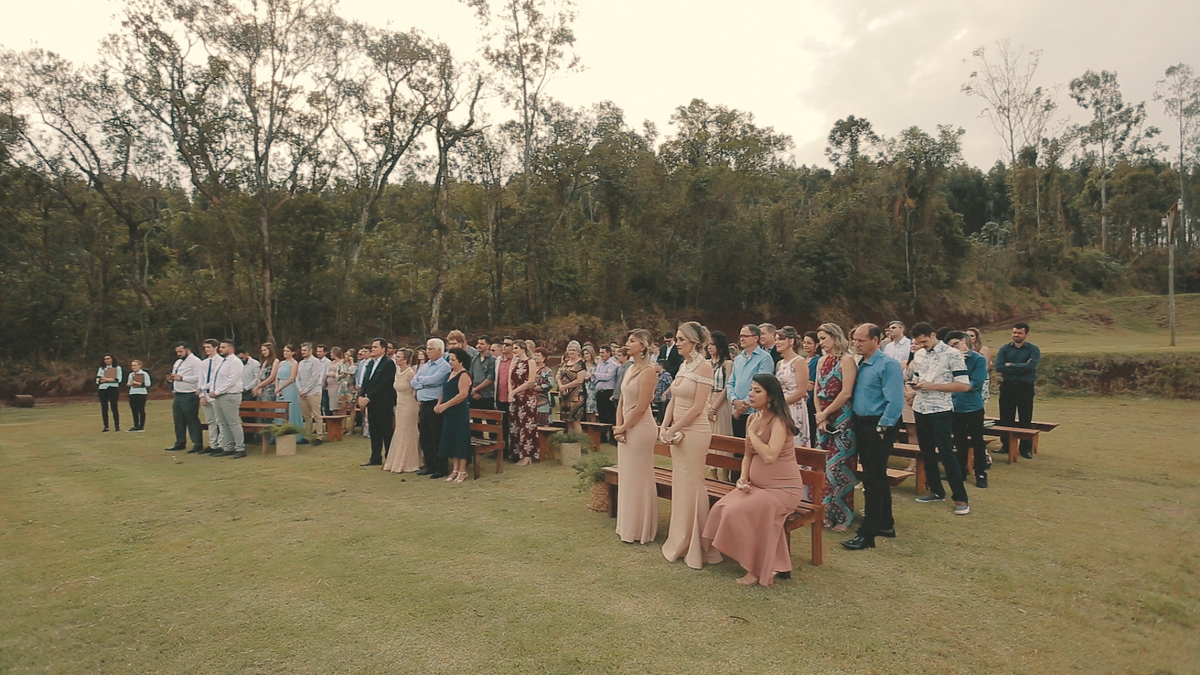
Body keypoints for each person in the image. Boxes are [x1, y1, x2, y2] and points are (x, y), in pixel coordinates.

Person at [702, 373, 805, 587]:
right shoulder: (752, 418)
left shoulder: (779, 422)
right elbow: (748, 455)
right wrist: (741, 478)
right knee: (722, 507)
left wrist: (752, 433)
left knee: (737, 512)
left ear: (770, 396)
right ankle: (728, 554)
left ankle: (755, 569)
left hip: (783, 490)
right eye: (751, 389)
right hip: (757, 486)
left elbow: (769, 455)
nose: (751, 394)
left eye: (757, 391)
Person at [660, 322, 722, 569]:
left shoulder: (704, 366)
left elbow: (698, 407)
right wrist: (664, 425)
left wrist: (675, 428)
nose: (676, 343)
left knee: (693, 483)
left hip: (695, 432)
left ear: (694, 342)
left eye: (681, 339)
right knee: (681, 483)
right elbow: (674, 398)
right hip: (677, 430)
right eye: (676, 339)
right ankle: (680, 538)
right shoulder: (684, 365)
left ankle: (699, 544)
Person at [843, 324, 906, 550]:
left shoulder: (887, 364)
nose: (856, 344)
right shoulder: (860, 363)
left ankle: (867, 533)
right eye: (855, 340)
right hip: (861, 422)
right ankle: (885, 523)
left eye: (861, 340)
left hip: (878, 425)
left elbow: (896, 401)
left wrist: (882, 428)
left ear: (877, 340)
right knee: (875, 476)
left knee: (872, 478)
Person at [908, 322, 971, 515]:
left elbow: (964, 385)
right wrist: (914, 386)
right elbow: (918, 377)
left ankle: (960, 498)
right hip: (920, 407)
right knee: (926, 451)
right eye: (918, 343)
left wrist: (934, 386)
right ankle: (935, 490)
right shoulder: (919, 354)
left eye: (924, 341)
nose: (922, 345)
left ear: (933, 335)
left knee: (946, 452)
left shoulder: (953, 354)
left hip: (941, 408)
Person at [613, 329, 658, 544]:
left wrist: (625, 427)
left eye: (632, 341)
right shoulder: (630, 368)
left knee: (638, 477)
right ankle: (627, 525)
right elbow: (622, 400)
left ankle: (641, 528)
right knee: (627, 476)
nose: (627, 344)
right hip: (626, 425)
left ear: (643, 346)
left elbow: (642, 406)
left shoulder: (648, 371)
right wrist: (618, 425)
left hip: (641, 428)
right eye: (627, 340)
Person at [813, 323, 858, 532]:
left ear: (834, 337)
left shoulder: (846, 360)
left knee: (838, 468)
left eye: (824, 338)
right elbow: (816, 390)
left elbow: (846, 392)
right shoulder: (822, 360)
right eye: (819, 339)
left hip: (842, 419)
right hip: (823, 419)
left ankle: (843, 515)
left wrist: (826, 412)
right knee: (822, 467)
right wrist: (820, 416)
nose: (820, 343)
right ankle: (826, 513)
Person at [947, 331, 990, 488]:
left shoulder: (977, 359)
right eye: (950, 346)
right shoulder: (948, 360)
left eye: (956, 344)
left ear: (964, 342)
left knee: (977, 441)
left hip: (973, 406)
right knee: (959, 441)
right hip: (955, 406)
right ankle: (960, 471)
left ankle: (980, 473)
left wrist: (961, 365)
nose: (953, 348)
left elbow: (975, 383)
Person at [994, 322, 1040, 460]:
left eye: (1019, 333)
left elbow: (1031, 367)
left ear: (1026, 334)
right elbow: (999, 367)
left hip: (1025, 386)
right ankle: (1006, 446)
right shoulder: (1004, 349)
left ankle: (1025, 448)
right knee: (1005, 417)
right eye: (1014, 332)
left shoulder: (1033, 349)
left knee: (1025, 417)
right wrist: (1021, 366)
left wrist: (1011, 365)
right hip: (1008, 386)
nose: (1016, 335)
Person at [726, 324, 775, 438]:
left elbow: (763, 385)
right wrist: (734, 401)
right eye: (740, 336)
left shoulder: (765, 358)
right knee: (737, 449)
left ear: (755, 338)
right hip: (736, 410)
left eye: (745, 336)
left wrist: (744, 405)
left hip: (754, 412)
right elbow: (730, 383)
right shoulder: (738, 359)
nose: (741, 339)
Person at [411, 338, 451, 478]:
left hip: (435, 404)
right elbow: (414, 381)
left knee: (437, 436)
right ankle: (430, 465)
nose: (427, 351)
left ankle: (441, 468)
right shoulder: (426, 365)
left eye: (430, 348)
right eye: (427, 348)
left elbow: (434, 380)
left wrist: (423, 382)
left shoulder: (444, 366)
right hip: (423, 404)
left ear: (439, 350)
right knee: (425, 435)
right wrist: (424, 382)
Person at [357, 338, 398, 467]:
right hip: (371, 403)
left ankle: (389, 457)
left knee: (385, 429)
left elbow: (384, 384)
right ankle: (375, 457)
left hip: (383, 402)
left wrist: (369, 398)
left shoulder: (388, 363)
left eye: (375, 347)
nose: (372, 349)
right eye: (372, 347)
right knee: (374, 430)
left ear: (383, 349)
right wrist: (361, 396)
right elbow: (365, 381)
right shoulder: (369, 364)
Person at [435, 348, 474, 482]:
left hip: (459, 412)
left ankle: (463, 470)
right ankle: (455, 469)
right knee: (450, 439)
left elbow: (462, 394)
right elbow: (443, 390)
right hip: (449, 413)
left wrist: (445, 405)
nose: (450, 362)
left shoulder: (464, 375)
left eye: (453, 360)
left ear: (461, 361)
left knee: (460, 440)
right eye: (450, 359)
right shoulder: (449, 374)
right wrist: (439, 403)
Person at [208, 338, 247, 458]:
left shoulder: (235, 362)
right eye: (220, 347)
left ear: (230, 348)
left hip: (230, 395)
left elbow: (231, 380)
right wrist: (212, 390)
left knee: (233, 422)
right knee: (222, 423)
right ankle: (228, 446)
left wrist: (218, 391)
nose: (220, 349)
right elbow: (216, 379)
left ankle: (240, 448)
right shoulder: (223, 361)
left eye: (223, 347)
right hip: (219, 395)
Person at [383, 348, 421, 474]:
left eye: (398, 357)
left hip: (409, 404)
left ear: (405, 359)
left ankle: (408, 461)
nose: (396, 359)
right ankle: (395, 460)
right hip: (399, 404)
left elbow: (415, 389)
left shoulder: (410, 373)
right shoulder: (398, 371)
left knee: (407, 431)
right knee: (399, 430)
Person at [774, 326, 810, 448]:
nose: (777, 342)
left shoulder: (799, 361)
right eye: (776, 339)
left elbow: (801, 391)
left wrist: (781, 403)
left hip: (794, 408)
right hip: (780, 407)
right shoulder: (780, 364)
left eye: (781, 339)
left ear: (791, 341)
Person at [164, 343, 204, 452]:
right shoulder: (178, 362)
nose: (179, 354)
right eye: (177, 352)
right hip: (178, 393)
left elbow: (199, 377)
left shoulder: (196, 362)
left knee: (191, 419)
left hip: (190, 393)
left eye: (181, 351)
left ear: (187, 350)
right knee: (178, 420)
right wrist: (172, 378)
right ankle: (180, 442)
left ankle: (197, 443)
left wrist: (182, 378)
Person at [507, 340, 540, 465]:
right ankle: (516, 452)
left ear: (523, 349)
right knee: (515, 425)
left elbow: (529, 381)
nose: (514, 350)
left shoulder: (530, 362)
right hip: (515, 397)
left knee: (527, 425)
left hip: (527, 398)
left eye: (516, 348)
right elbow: (509, 378)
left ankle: (527, 455)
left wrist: (514, 392)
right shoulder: (514, 362)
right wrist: (511, 393)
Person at [296, 343, 325, 446]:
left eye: (304, 350)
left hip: (313, 392)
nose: (302, 352)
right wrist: (300, 389)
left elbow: (314, 378)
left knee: (317, 415)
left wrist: (306, 390)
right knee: (306, 416)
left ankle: (319, 436)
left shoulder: (315, 362)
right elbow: (298, 377)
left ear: (310, 351)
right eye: (302, 350)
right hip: (303, 393)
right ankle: (307, 436)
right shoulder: (301, 363)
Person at [705, 331, 733, 437]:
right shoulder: (706, 363)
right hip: (707, 398)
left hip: (721, 400)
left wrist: (714, 407)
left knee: (721, 430)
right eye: (708, 344)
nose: (709, 347)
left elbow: (728, 386)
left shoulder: (727, 363)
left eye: (712, 344)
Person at [556, 340, 588, 434]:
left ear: (578, 351)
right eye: (569, 350)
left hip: (576, 396)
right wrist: (561, 386)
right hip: (564, 395)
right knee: (567, 420)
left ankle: (580, 442)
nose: (571, 352)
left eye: (573, 350)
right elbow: (558, 375)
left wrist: (566, 386)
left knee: (575, 420)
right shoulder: (565, 363)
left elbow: (579, 380)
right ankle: (569, 443)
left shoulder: (581, 363)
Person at [274, 345, 305, 441]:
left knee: (291, 410)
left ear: (292, 352)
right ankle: (280, 433)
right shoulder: (281, 363)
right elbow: (276, 377)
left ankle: (294, 435)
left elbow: (292, 378)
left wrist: (281, 387)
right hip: (280, 387)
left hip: (289, 387)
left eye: (287, 351)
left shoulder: (294, 363)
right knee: (280, 410)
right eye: (284, 351)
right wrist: (277, 388)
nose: (285, 353)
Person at [197, 339, 223, 453]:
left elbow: (216, 379)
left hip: (215, 393)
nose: (207, 349)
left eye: (209, 347)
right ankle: (213, 444)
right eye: (205, 347)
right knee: (210, 421)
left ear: (216, 347)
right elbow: (201, 378)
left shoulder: (221, 361)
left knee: (219, 420)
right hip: (206, 393)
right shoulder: (204, 362)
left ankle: (221, 444)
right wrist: (202, 395)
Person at [802, 332, 821, 447]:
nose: (805, 345)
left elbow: (812, 382)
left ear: (816, 345)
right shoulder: (802, 359)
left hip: (811, 401)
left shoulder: (817, 360)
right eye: (804, 342)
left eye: (809, 343)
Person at [96, 354, 123, 432]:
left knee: (114, 407)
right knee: (104, 408)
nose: (107, 360)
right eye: (105, 359)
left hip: (113, 388)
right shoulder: (101, 369)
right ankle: (106, 426)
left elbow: (118, 379)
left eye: (109, 358)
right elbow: (98, 380)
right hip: (102, 389)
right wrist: (109, 379)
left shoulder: (117, 368)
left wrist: (106, 379)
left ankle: (117, 426)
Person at [594, 344, 618, 428]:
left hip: (608, 392)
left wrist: (597, 375)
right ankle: (602, 436)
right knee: (601, 414)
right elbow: (595, 376)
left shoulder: (613, 364)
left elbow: (607, 376)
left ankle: (612, 436)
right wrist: (598, 375)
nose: (601, 355)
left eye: (603, 353)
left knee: (610, 415)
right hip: (599, 392)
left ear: (608, 353)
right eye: (600, 353)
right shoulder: (600, 364)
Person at [469, 335, 496, 409]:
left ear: (488, 346)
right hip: (474, 394)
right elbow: (470, 375)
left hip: (487, 395)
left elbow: (490, 379)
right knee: (475, 418)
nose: (478, 346)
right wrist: (473, 391)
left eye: (482, 344)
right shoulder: (475, 359)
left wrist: (475, 389)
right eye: (478, 343)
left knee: (490, 419)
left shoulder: (492, 360)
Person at [336, 349, 357, 435]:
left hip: (351, 389)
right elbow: (336, 377)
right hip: (342, 389)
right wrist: (341, 376)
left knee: (352, 408)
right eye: (346, 354)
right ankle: (343, 427)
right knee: (342, 408)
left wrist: (351, 363)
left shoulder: (355, 365)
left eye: (349, 355)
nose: (347, 357)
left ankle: (351, 428)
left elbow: (353, 372)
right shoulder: (341, 365)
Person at [125, 360, 150, 432]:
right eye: (132, 365)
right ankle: (135, 425)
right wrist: (130, 383)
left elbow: (148, 384)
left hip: (141, 393)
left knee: (141, 409)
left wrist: (137, 383)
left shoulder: (144, 374)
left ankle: (141, 426)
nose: (133, 367)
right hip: (132, 393)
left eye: (135, 365)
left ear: (140, 366)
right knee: (134, 410)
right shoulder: (131, 374)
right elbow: (128, 383)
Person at [532, 348, 554, 425]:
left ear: (543, 358)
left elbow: (550, 384)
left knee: (542, 422)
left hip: (542, 400)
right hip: (530, 399)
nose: (535, 357)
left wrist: (537, 387)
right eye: (534, 355)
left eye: (538, 355)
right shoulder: (530, 368)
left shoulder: (547, 370)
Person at [582, 344, 599, 422]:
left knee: (591, 411)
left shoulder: (596, 366)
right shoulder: (581, 365)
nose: (585, 356)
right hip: (582, 389)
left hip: (592, 390)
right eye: (584, 354)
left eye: (587, 353)